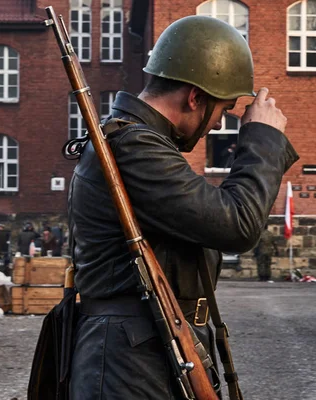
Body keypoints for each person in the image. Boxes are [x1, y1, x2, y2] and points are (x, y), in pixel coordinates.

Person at [65, 16, 298, 399]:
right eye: (222, 109)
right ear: (194, 97)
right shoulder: (134, 147)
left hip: (144, 350)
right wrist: (262, 139)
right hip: (132, 363)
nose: (218, 123)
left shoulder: (139, 142)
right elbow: (237, 224)